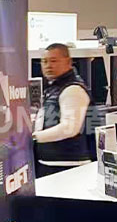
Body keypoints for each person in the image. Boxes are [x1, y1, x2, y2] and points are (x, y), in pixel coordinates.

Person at [33, 43, 91, 177]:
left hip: (68, 167)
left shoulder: (72, 89)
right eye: (44, 61)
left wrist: (34, 138)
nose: (48, 65)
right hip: (52, 164)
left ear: (69, 62)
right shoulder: (53, 88)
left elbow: (69, 128)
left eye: (53, 61)